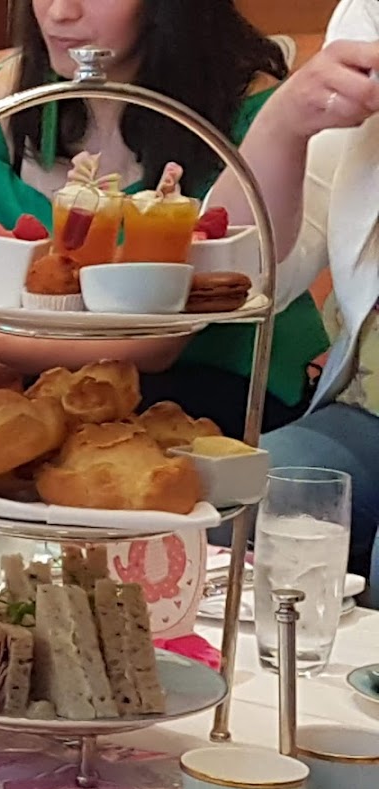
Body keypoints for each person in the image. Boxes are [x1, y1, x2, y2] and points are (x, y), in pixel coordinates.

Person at [0, 0, 379, 438]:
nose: (60, 12)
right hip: (45, 384)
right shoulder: (15, 101)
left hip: (206, 397)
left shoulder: (247, 113)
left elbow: (157, 340)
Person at [259, 0, 379, 587]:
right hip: (367, 407)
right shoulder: (365, 21)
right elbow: (260, 277)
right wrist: (284, 122)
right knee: (234, 505)